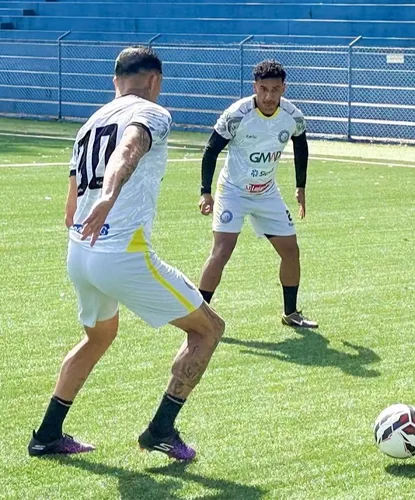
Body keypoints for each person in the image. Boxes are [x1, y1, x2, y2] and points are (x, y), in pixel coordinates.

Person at [29, 46, 225, 461]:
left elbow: (70, 209)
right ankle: (161, 430)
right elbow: (130, 148)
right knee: (208, 329)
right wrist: (110, 196)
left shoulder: (90, 123)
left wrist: (96, 209)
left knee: (98, 337)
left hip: (80, 253)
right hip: (121, 254)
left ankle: (46, 435)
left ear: (115, 81)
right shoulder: (151, 112)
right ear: (154, 80)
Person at [197, 60, 317, 328]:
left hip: (266, 192)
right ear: (255, 87)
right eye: (263, 89)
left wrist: (300, 186)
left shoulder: (293, 116)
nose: (269, 97)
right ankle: (199, 318)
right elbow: (211, 150)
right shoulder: (236, 115)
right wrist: (205, 192)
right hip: (233, 191)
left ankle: (291, 314)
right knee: (222, 250)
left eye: (275, 90)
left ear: (284, 88)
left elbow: (301, 145)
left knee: (291, 251)